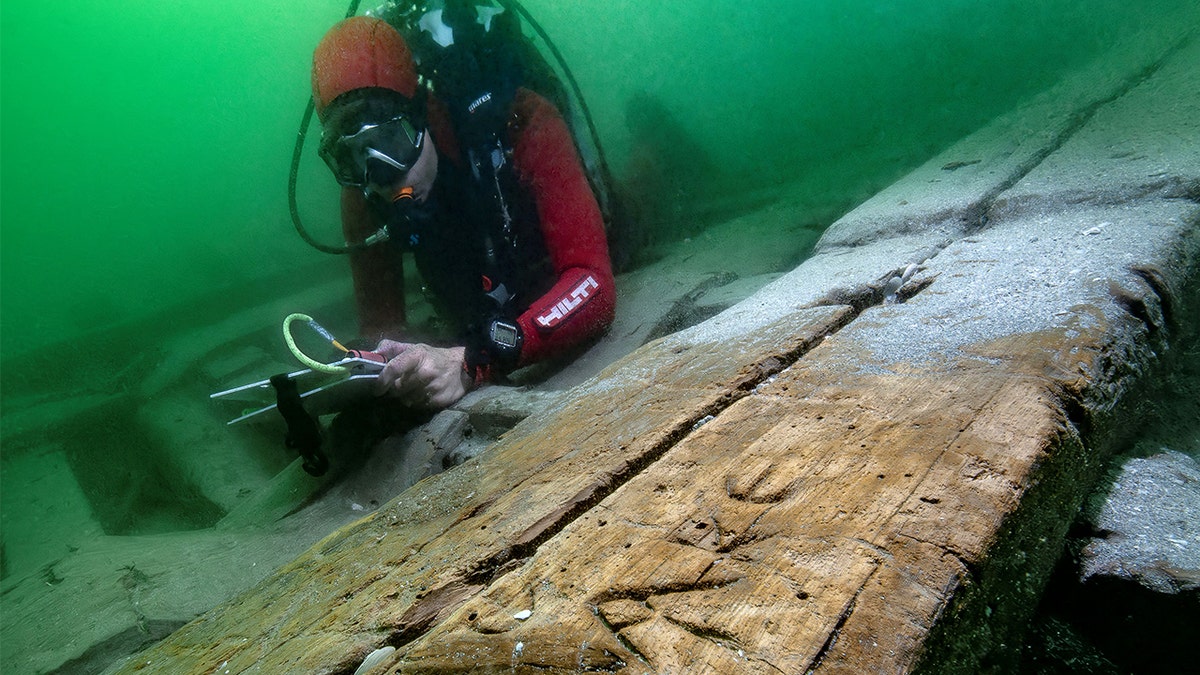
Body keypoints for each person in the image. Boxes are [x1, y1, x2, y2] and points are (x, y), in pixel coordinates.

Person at [310, 12, 615, 411]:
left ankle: (658, 145)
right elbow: (382, 328)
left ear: (420, 112)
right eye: (349, 157)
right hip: (483, 302)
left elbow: (593, 284)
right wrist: (369, 367)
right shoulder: (363, 194)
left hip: (549, 266)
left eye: (390, 140)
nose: (381, 177)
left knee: (631, 220)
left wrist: (476, 361)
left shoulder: (520, 120)